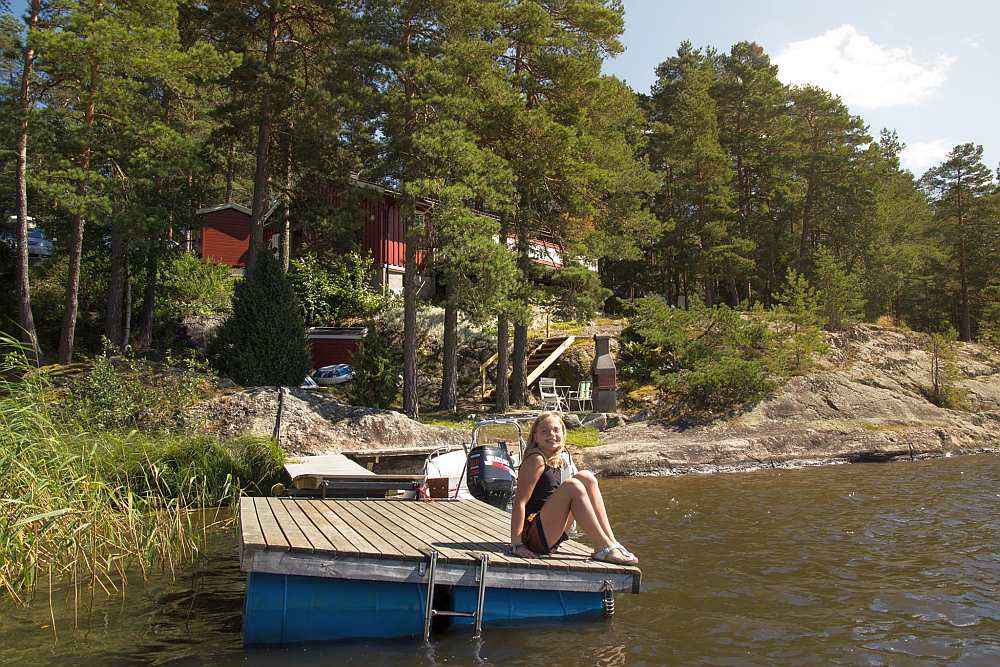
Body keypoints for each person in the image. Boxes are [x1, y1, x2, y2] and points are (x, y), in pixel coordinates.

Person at [509, 411, 638, 565]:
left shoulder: (559, 459)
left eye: (556, 430)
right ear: (535, 437)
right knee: (572, 486)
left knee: (586, 477)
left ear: (563, 434)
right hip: (532, 536)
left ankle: (611, 542)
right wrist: (517, 544)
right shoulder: (536, 459)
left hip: (550, 531)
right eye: (544, 431)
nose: (551, 434)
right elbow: (520, 503)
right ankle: (603, 546)